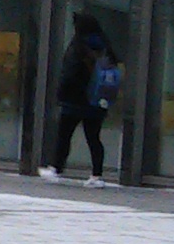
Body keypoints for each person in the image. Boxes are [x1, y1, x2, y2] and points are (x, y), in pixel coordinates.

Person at [43, 13, 121, 186]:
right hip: (97, 101)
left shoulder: (78, 46)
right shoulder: (104, 46)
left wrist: (61, 93)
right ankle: (97, 175)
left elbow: (70, 73)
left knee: (64, 134)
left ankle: (56, 168)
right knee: (93, 137)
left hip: (75, 100)